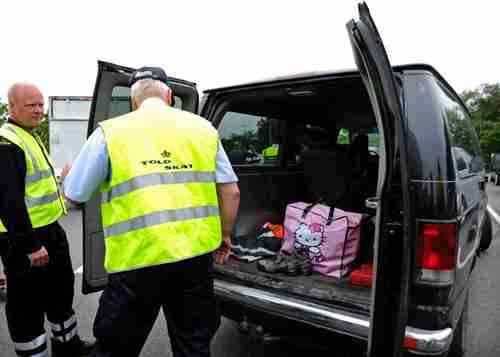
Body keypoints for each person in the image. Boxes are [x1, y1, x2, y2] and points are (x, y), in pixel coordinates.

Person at [64, 67, 240, 357]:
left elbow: (75, 193)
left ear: (134, 101)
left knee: (116, 347)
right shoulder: (203, 129)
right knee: (193, 344)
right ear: (169, 96)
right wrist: (224, 235)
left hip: (137, 262)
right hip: (193, 260)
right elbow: (231, 191)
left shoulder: (111, 132)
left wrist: (71, 175)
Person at [0, 82, 94, 356]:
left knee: (60, 295)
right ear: (12, 106)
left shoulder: (28, 135)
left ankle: (68, 346)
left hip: (49, 232)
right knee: (26, 305)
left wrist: (62, 179)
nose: (39, 110)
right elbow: (9, 202)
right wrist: (30, 245)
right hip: (24, 239)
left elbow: (34, 186)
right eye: (31, 105)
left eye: (41, 104)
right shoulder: (7, 142)